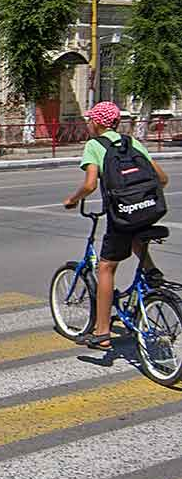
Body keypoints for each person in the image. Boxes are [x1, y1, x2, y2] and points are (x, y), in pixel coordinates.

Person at [63, 101, 169, 350]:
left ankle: (102, 333)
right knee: (136, 232)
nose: (89, 123)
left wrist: (72, 200)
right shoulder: (133, 142)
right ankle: (152, 271)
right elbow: (162, 178)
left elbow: (89, 185)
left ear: (99, 123)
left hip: (121, 216)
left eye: (91, 120)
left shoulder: (94, 146)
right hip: (150, 210)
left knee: (106, 267)